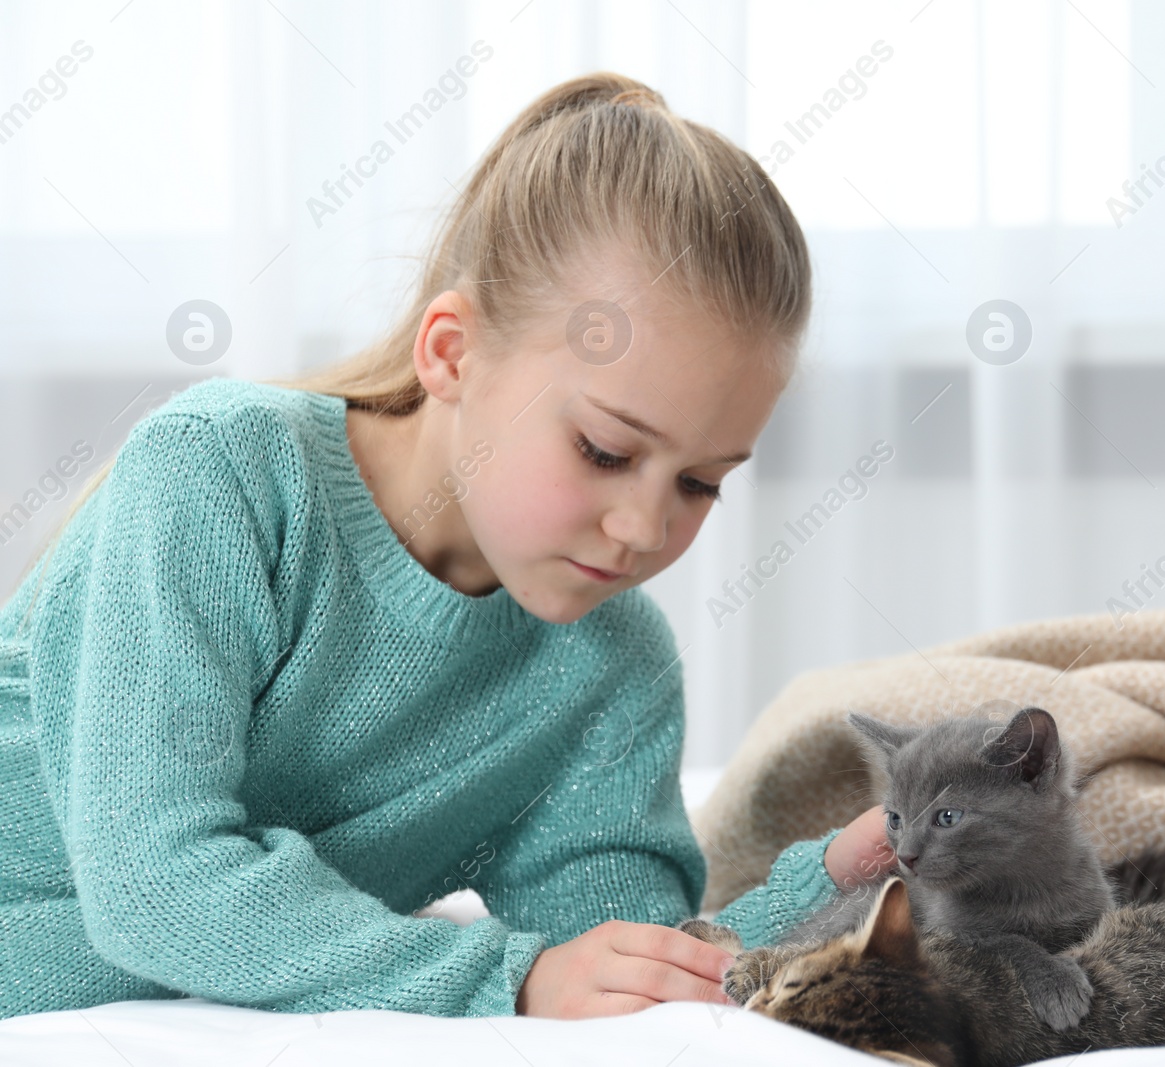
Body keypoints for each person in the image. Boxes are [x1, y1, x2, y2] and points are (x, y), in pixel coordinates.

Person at [0, 72, 891, 1023]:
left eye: (700, 481)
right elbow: (152, 883)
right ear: (452, 352)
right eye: (604, 450)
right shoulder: (222, 473)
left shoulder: (610, 669)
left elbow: (620, 971)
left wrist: (829, 882)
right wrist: (501, 977)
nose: (645, 528)